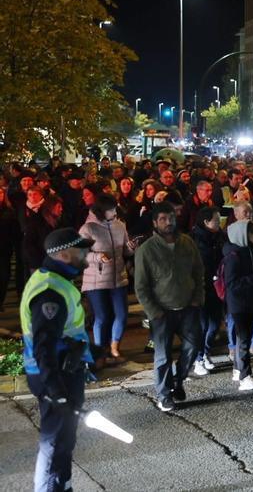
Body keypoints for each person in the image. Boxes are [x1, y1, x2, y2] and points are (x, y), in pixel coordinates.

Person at [20, 227, 95, 492]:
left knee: (63, 440)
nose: (87, 254)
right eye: (81, 250)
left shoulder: (55, 280)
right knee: (54, 441)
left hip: (62, 372)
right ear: (63, 254)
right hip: (56, 377)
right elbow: (44, 347)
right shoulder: (50, 292)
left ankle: (62, 486)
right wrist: (56, 392)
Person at [133, 202, 205, 412]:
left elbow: (199, 272)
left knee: (193, 347)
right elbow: (141, 286)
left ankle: (177, 380)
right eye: (163, 219)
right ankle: (164, 395)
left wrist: (197, 298)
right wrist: (154, 312)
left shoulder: (187, 243)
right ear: (155, 222)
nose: (168, 222)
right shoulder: (146, 250)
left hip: (188, 307)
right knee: (163, 355)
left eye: (171, 218)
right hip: (161, 311)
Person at [78, 195, 134, 365]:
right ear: (102, 211)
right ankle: (100, 352)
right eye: (112, 209)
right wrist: (97, 257)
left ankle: (114, 347)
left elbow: (125, 251)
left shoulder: (120, 226)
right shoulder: (88, 228)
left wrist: (131, 248)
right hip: (96, 280)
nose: (115, 212)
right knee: (102, 316)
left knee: (122, 314)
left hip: (118, 277)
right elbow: (79, 254)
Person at [223, 220, 253, 391]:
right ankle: (245, 376)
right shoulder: (233, 256)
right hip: (239, 303)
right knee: (243, 339)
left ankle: (237, 369)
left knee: (244, 337)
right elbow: (232, 284)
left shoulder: (251, 251)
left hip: (249, 301)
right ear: (245, 235)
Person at [189, 206, 225, 374]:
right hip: (201, 286)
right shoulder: (194, 239)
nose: (219, 223)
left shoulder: (220, 236)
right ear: (206, 222)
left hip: (217, 285)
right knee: (202, 324)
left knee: (215, 323)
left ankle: (206, 352)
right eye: (216, 220)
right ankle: (198, 358)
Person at [0, 185, 19, 308]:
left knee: (4, 276)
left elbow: (14, 232)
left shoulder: (9, 212)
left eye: (1, 194)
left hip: (4, 249)